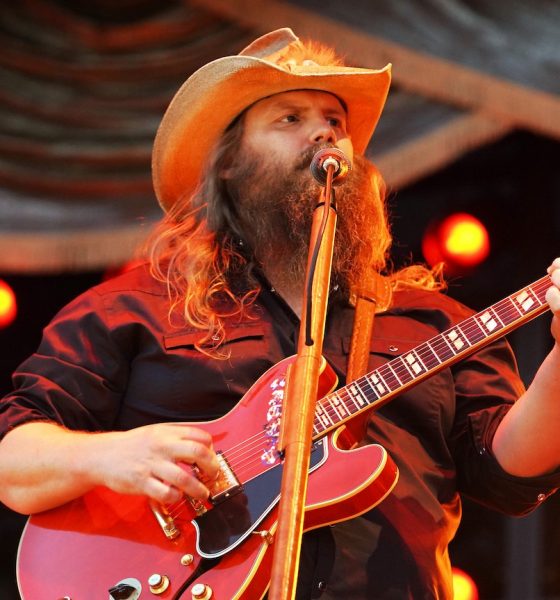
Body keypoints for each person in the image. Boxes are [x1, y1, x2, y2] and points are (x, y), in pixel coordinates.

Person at [0, 27, 560, 599]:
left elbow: (510, 475)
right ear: (228, 166)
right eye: (289, 118)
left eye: (334, 121)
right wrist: (114, 454)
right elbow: (12, 461)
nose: (324, 132)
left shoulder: (434, 320)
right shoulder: (135, 307)